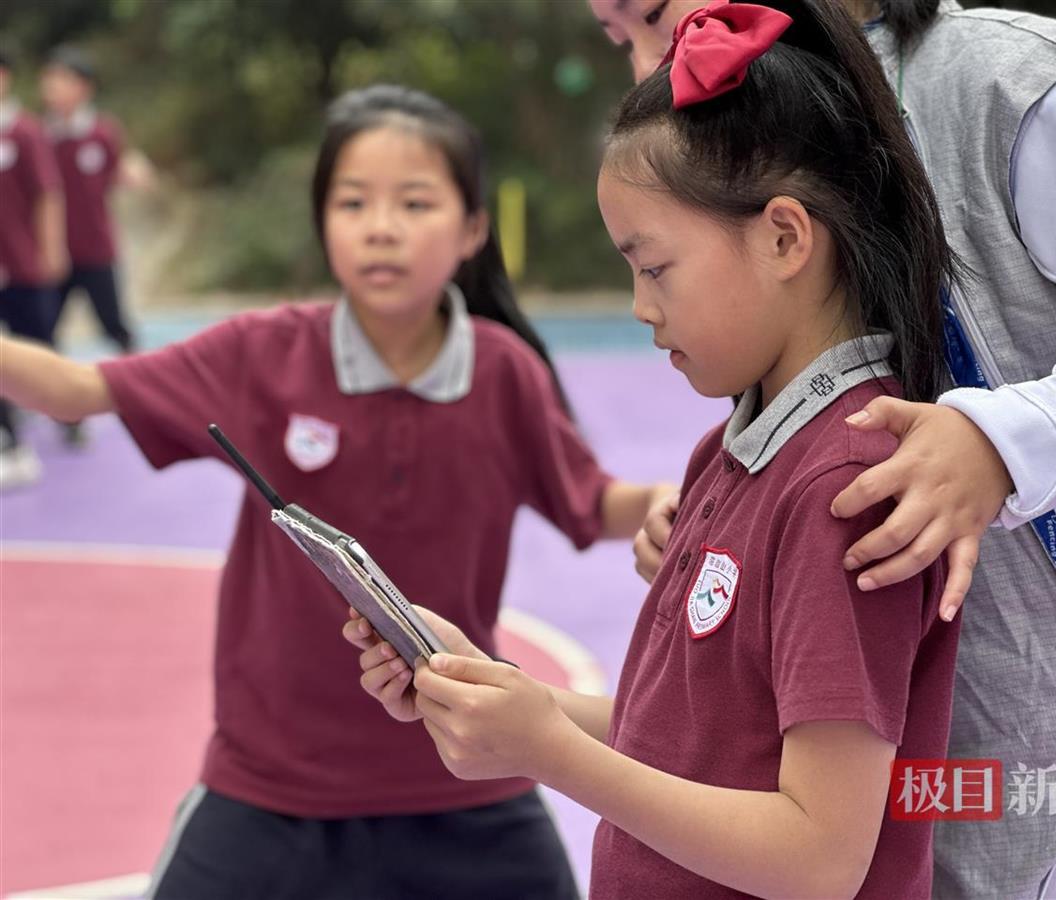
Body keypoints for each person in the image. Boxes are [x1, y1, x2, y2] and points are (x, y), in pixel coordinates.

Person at [0, 83, 671, 899]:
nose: (380, 226)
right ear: (323, 223)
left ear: (472, 229)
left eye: (414, 202)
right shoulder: (260, 354)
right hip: (271, 784)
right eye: (353, 202)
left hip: (467, 768)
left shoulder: (505, 374)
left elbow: (592, 501)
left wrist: (660, 505)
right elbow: (75, 390)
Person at [348, 4, 961, 896]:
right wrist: (497, 695)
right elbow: (685, 740)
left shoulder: (846, 486)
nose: (640, 306)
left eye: (655, 267)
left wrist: (550, 753)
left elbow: (820, 855)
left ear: (785, 237)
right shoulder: (733, 453)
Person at [592, 1, 1056, 896]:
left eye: (650, 13)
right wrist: (728, 536)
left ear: (788, 234)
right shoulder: (771, 152)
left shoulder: (1006, 83)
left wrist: (1011, 439)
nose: (649, 57)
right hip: (926, 800)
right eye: (616, 38)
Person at [40, 45, 151, 355]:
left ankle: (138, 378)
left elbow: (122, 168)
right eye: (49, 78)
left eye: (62, 79)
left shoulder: (102, 132)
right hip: (53, 253)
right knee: (41, 330)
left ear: (84, 87)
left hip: (95, 249)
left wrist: (135, 171)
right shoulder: (40, 135)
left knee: (114, 325)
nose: (53, 86)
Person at [0, 44, 67, 490]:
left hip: (23, 264)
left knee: (39, 346)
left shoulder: (25, 131)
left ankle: (68, 414)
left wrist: (51, 248)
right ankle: (11, 445)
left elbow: (47, 193)